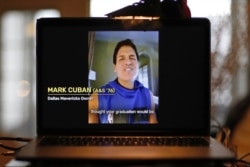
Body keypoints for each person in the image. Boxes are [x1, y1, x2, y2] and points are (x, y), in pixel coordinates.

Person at [88, 39, 158, 124]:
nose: (128, 62)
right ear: (115, 67)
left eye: (132, 57)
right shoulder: (97, 97)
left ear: (137, 64)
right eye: (121, 58)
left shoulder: (148, 96)